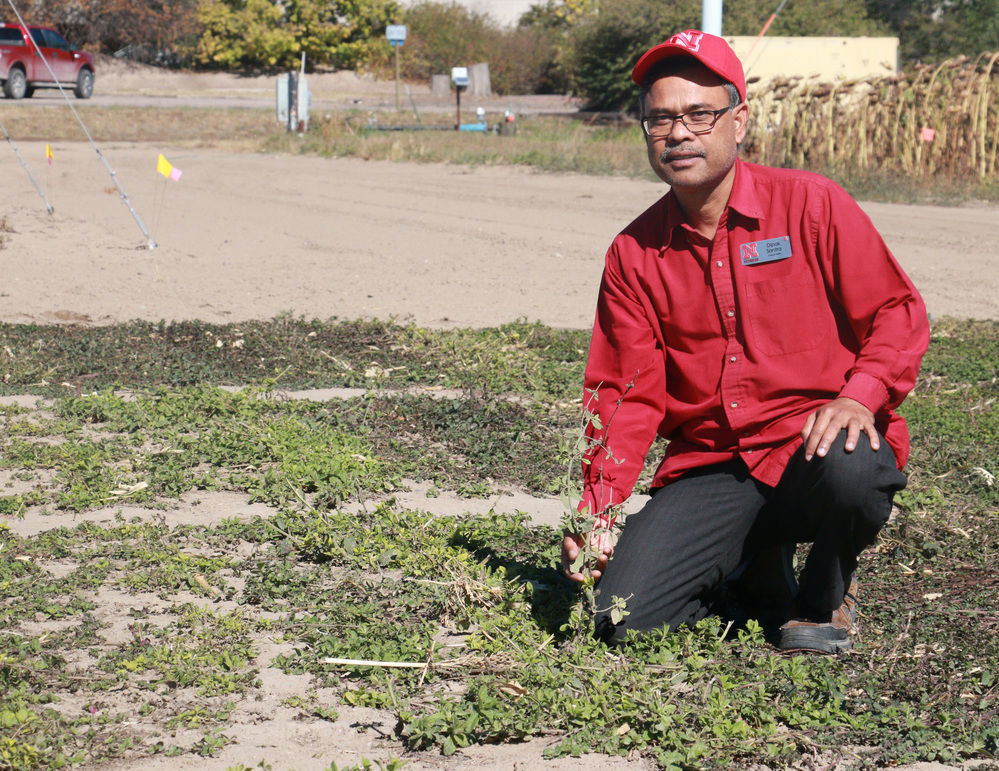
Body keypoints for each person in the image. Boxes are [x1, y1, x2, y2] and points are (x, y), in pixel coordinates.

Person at [561, 30, 929, 654]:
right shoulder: (633, 252)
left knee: (854, 468)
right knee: (619, 620)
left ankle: (823, 594)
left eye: (700, 114)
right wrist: (598, 507)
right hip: (714, 465)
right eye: (660, 119)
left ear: (740, 121)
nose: (679, 134)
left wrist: (860, 397)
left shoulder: (811, 203)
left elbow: (896, 312)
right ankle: (754, 561)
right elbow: (626, 397)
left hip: (813, 447)